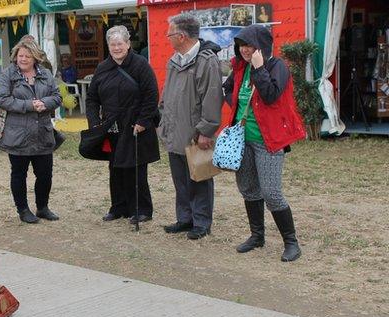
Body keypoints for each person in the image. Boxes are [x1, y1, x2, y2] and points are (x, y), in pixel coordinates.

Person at [222, 25, 306, 262]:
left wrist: (259, 68)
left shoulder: (276, 66)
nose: (245, 50)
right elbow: (228, 88)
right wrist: (237, 108)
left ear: (262, 45)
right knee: (248, 188)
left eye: (249, 45)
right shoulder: (239, 67)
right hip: (242, 139)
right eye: (241, 45)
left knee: (271, 193)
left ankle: (291, 243)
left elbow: (270, 96)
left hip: (268, 140)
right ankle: (257, 236)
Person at [86, 25, 160, 225]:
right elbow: (92, 98)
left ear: (128, 44)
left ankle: (142, 210)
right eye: (113, 44)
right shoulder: (103, 68)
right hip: (112, 127)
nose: (116, 48)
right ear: (108, 46)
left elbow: (151, 95)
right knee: (115, 168)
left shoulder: (140, 65)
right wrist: (95, 123)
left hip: (136, 126)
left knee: (136, 169)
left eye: (120, 43)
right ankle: (118, 207)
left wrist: (143, 121)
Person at [158, 13, 223, 239]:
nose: (168, 37)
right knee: (180, 180)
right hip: (175, 130)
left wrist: (206, 131)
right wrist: (163, 120)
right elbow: (167, 94)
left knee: (200, 177)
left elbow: (212, 98)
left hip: (195, 133)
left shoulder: (206, 60)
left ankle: (201, 222)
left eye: (170, 33)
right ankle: (185, 219)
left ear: (182, 36)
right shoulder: (174, 60)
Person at [0, 40, 62, 224]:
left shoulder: (46, 74)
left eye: (27, 56)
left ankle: (42, 207)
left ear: (35, 57)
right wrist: (28, 105)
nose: (23, 59)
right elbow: (1, 99)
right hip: (18, 135)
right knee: (19, 174)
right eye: (20, 55)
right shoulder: (8, 74)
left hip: (43, 133)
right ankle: (23, 210)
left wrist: (45, 103)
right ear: (15, 57)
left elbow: (57, 97)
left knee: (45, 174)